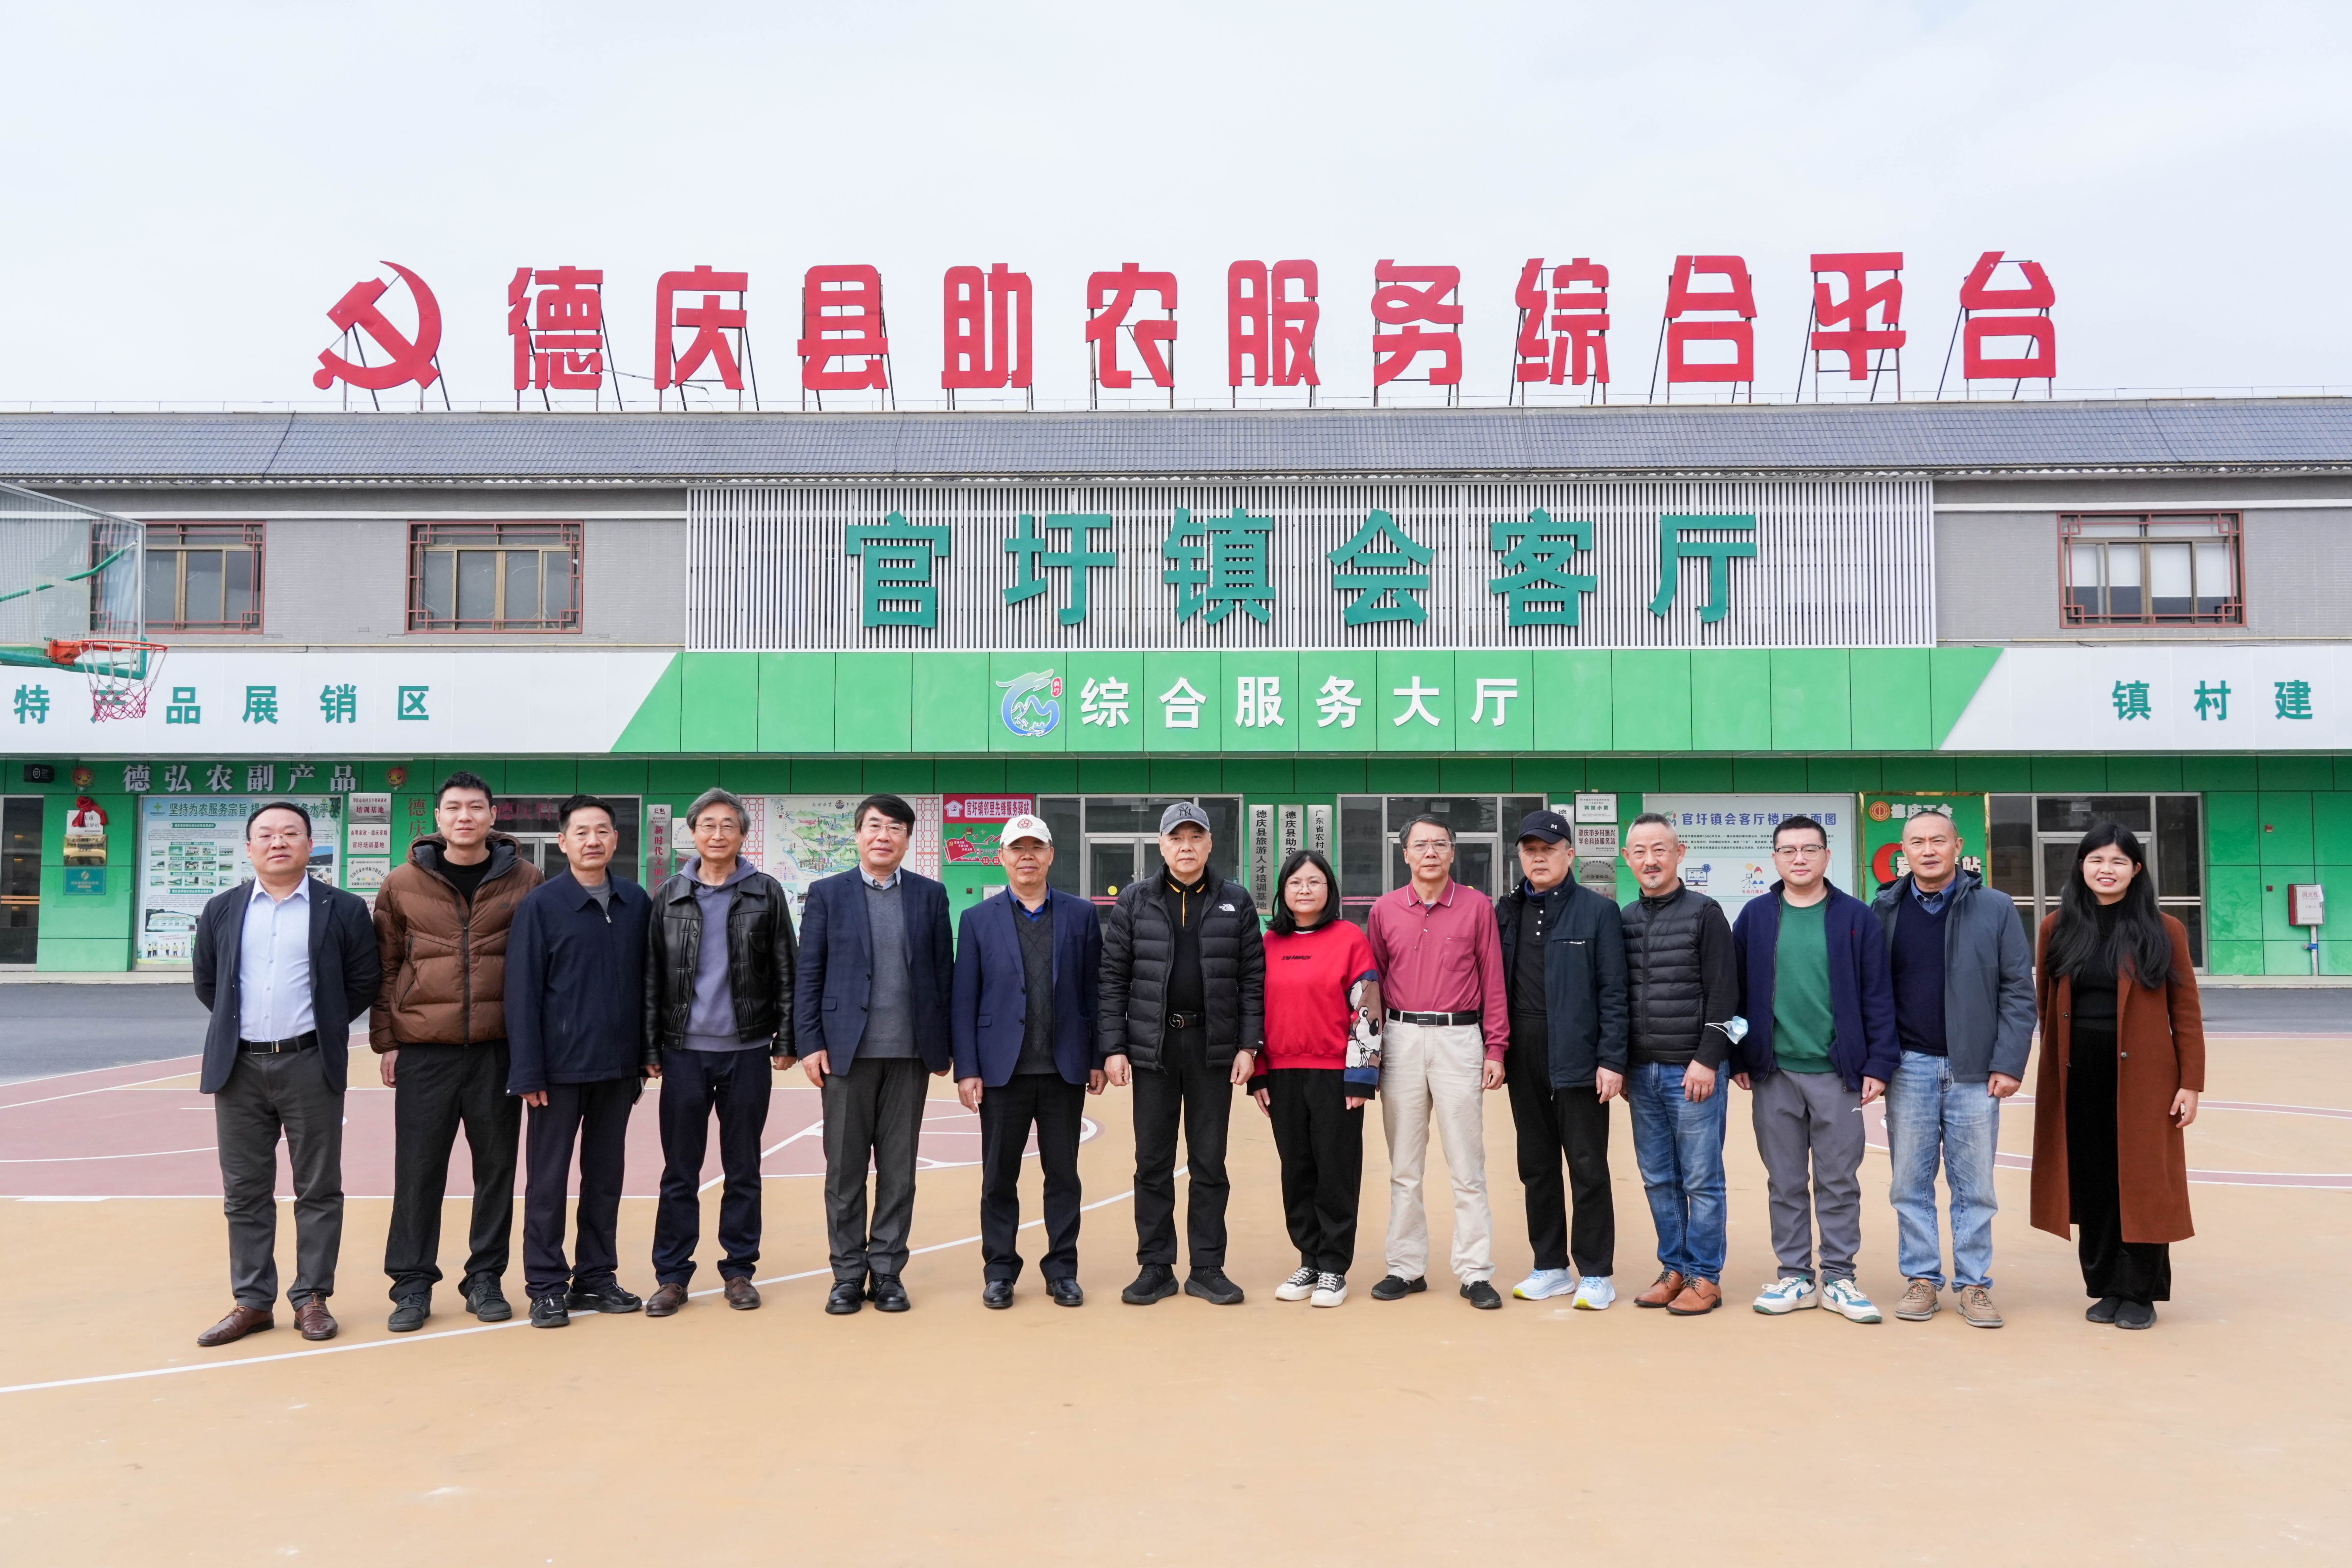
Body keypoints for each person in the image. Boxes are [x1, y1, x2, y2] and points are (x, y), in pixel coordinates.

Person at [190, 802, 381, 1347]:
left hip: (310, 1063)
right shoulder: (222, 909)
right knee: (244, 1191)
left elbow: (363, 981)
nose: (279, 842)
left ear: (310, 845)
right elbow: (208, 982)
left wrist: (319, 1027)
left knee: (318, 1187)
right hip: (239, 1066)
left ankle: (312, 1297)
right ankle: (252, 1301)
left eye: (291, 833)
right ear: (249, 848)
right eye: (267, 835)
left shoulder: (343, 909)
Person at [372, 770, 542, 1332]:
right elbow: (387, 966)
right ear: (438, 818)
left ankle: (485, 1277)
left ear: (494, 816)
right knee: (418, 1171)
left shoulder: (527, 880)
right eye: (453, 807)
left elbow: (540, 967)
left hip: (499, 1049)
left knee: (496, 1170)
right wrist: (387, 1041)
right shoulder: (402, 883)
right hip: (426, 1050)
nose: (464, 817)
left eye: (475, 807)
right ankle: (412, 1285)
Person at [2030, 824, 2204, 1331]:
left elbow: (2186, 1011)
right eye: (2096, 860)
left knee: (2143, 1180)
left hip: (2146, 1078)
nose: (2106, 870)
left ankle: (2139, 1292)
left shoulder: (2164, 930)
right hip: (2077, 1074)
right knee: (2093, 1179)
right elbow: (2046, 1005)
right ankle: (2106, 1285)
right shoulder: (2058, 927)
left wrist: (2190, 1082)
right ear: (2081, 867)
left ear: (2136, 870)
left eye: (2118, 861)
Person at [1728, 815, 1899, 1325]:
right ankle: (1796, 1278)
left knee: (1839, 1181)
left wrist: (1878, 1063)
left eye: (1809, 849)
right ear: (1775, 859)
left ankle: (1840, 1279)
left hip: (1838, 1074)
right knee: (1784, 1182)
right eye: (1788, 850)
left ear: (1827, 855)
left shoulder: (1856, 917)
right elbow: (1735, 992)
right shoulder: (1756, 917)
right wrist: (1738, 1056)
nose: (1799, 858)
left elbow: (1878, 995)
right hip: (1774, 1073)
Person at [1871, 806, 2037, 1329]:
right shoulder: (1884, 909)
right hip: (1909, 1068)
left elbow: (2018, 991)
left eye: (1938, 840)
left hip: (1976, 1071)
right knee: (1909, 1183)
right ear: (1903, 851)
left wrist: (2008, 1062)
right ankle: (1922, 1279)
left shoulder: (1995, 907)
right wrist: (1877, 1061)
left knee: (1975, 1187)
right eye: (1917, 842)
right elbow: (1871, 992)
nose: (1928, 850)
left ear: (1958, 846)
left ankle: (1974, 1285)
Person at [1098, 802, 1265, 1307]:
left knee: (1209, 1161)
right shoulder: (1135, 901)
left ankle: (1208, 1267)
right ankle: (1156, 1265)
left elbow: (1253, 980)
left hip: (1213, 1049)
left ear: (1211, 844)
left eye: (1196, 837)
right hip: (1155, 1048)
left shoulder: (1235, 901)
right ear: (1162, 845)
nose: (1186, 846)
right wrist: (1114, 1047)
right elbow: (1113, 979)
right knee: (1152, 1160)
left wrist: (1248, 1045)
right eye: (1177, 838)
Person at [797, 793, 956, 1315]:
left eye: (894, 828)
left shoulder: (931, 896)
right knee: (844, 1172)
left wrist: (946, 1045)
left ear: (908, 839)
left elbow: (944, 975)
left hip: (910, 1054)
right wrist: (809, 1042)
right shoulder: (827, 894)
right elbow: (809, 973)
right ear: (858, 835)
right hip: (846, 1055)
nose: (883, 836)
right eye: (874, 826)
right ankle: (847, 1276)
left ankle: (887, 1272)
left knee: (899, 1171)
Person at [644, 787, 797, 1316]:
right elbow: (652, 976)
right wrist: (651, 1045)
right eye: (707, 824)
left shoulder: (765, 892)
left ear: (743, 834)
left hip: (748, 1051)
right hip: (684, 1052)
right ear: (692, 833)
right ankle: (672, 1276)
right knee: (680, 1171)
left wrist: (786, 1039)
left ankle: (739, 1271)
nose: (717, 834)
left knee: (743, 1167)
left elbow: (786, 967)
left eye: (728, 825)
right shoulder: (670, 894)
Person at [505, 795, 652, 1330]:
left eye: (603, 831)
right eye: (582, 832)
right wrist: (528, 1070)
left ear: (616, 839)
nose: (593, 841)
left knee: (605, 1181)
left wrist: (645, 1056)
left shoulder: (636, 902)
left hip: (618, 1070)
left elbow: (649, 984)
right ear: (563, 842)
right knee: (548, 1183)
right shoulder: (541, 906)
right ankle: (546, 1286)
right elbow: (522, 993)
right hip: (557, 1074)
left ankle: (596, 1277)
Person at [950, 814, 1105, 1309]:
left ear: (1051, 855)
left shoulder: (1081, 916)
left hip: (1064, 1069)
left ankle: (1062, 1271)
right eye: (1017, 848)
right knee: (999, 1177)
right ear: (1002, 857)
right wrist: (968, 1069)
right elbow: (964, 999)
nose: (1027, 857)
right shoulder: (977, 920)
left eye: (1036, 847)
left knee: (1063, 1176)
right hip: (1002, 1071)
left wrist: (1098, 1056)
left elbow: (1095, 992)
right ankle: (1000, 1271)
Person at [1365, 814, 1509, 1311]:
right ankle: (1405, 1267)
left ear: (1452, 853)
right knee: (1405, 1165)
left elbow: (1493, 980)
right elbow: (1372, 987)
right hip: (1401, 1038)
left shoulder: (1477, 907)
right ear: (1404, 853)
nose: (1430, 852)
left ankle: (1475, 1271)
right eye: (1421, 845)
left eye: (1440, 845)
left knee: (1468, 1164)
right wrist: (1370, 1054)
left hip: (1459, 1038)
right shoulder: (1384, 910)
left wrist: (1496, 1048)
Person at [1496, 809, 1628, 1310]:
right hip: (1523, 1054)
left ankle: (1595, 1272)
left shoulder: (1599, 912)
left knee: (1588, 1165)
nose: (1539, 858)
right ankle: (1550, 1266)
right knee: (1536, 1166)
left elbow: (1614, 992)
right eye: (1530, 851)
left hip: (1580, 1055)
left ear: (1569, 854)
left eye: (1549, 850)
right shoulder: (1507, 911)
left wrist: (1612, 1060)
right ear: (1520, 857)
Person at [1618, 813, 1740, 1317]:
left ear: (1679, 853)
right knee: (1658, 1178)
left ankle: (1705, 1277)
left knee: (1701, 1179)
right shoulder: (1624, 918)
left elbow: (1725, 993)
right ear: (1627, 859)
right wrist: (1622, 1063)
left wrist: (1707, 1059)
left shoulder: (1705, 913)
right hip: (1642, 1074)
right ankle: (1673, 1269)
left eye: (1660, 850)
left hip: (1692, 1072)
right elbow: (1618, 997)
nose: (1650, 861)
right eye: (1640, 852)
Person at [1250, 848, 1381, 1308]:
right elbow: (1253, 1011)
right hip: (1281, 1075)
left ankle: (1334, 1268)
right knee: (1297, 1169)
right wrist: (1258, 1074)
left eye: (1314, 882)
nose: (1304, 890)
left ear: (1330, 889)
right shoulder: (1267, 944)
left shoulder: (1350, 939)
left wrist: (1361, 1076)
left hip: (1335, 1075)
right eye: (1295, 883)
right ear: (1282, 892)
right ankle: (1308, 1258)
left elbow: (1367, 1006)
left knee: (1336, 1170)